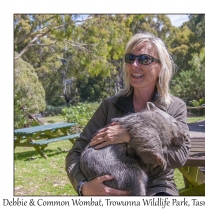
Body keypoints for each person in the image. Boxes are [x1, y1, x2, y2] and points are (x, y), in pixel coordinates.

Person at [65, 32, 191, 196]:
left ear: (160, 67)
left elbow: (180, 156)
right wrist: (83, 187)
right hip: (111, 188)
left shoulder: (174, 107)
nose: (134, 65)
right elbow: (75, 153)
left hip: (157, 187)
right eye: (130, 58)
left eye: (144, 59)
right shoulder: (110, 106)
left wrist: (130, 137)